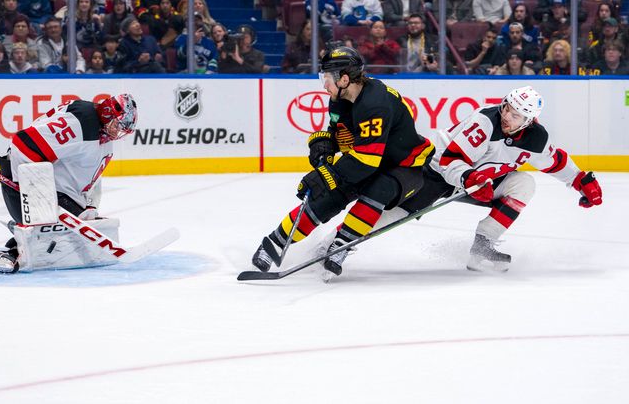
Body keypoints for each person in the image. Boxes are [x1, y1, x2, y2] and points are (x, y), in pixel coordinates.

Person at [249, 47, 435, 278]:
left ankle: (341, 245)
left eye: (326, 78)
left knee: (377, 190)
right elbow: (343, 136)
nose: (324, 84)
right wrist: (325, 145)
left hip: (405, 166)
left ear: (344, 79)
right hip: (367, 159)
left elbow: (366, 162)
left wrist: (326, 176)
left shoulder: (375, 103)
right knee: (325, 198)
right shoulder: (339, 99)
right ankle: (275, 243)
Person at [397, 86, 603, 272]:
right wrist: (470, 178)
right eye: (506, 108)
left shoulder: (536, 139)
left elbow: (555, 162)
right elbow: (451, 160)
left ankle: (482, 246)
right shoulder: (486, 121)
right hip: (437, 171)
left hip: (476, 182)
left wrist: (581, 180)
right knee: (398, 212)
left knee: (523, 184)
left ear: (528, 122)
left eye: (516, 116)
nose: (506, 116)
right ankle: (363, 231)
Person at [0, 94, 138, 273]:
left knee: (76, 233)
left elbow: (90, 180)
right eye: (117, 125)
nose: (118, 132)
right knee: (61, 233)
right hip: (22, 179)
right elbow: (23, 143)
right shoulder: (82, 124)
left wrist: (88, 207)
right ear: (107, 114)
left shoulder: (102, 138)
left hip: (57, 190)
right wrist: (34, 188)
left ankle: (20, 244)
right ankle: (20, 248)